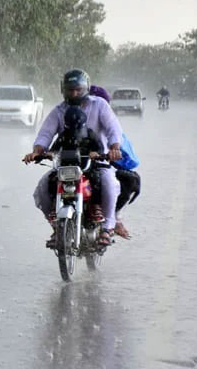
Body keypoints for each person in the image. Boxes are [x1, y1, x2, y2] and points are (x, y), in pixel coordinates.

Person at [23, 69, 122, 247]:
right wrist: (38, 151)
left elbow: (113, 129)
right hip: (66, 164)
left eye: (78, 89)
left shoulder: (99, 105)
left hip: (96, 162)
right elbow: (45, 135)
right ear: (63, 90)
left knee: (108, 183)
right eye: (70, 89)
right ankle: (56, 227)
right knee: (43, 188)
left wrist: (114, 149)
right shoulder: (59, 110)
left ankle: (107, 227)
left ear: (86, 88)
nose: (74, 93)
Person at [89, 84, 141, 239]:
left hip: (102, 165)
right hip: (76, 164)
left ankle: (113, 218)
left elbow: (128, 157)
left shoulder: (111, 125)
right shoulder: (70, 117)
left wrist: (112, 153)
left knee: (129, 180)